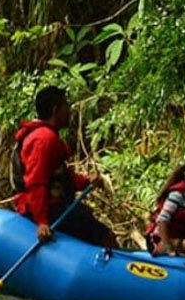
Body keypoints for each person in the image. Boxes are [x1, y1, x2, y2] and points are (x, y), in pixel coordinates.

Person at [13, 86, 116, 248]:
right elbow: (36, 182)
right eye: (66, 106)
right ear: (56, 110)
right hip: (46, 208)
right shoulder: (44, 139)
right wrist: (41, 222)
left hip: (52, 205)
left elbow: (59, 175)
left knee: (87, 217)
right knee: (106, 237)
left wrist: (86, 181)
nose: (69, 111)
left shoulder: (47, 136)